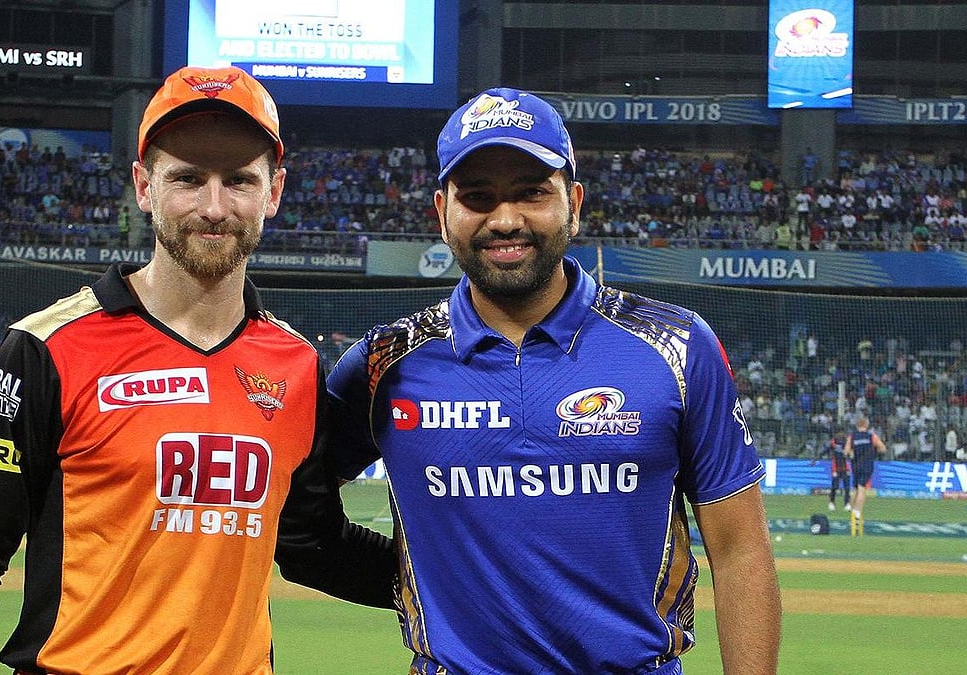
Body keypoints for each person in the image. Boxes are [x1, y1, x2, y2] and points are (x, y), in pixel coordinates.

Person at [0, 65, 396, 675]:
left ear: (273, 192)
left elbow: (311, 544)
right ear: (144, 186)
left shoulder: (297, 365)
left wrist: (464, 579)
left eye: (239, 180)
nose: (214, 207)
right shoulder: (46, 347)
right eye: (188, 178)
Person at [326, 87, 781, 674]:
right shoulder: (384, 362)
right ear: (442, 213)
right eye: (477, 197)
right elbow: (292, 511)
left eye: (532, 192)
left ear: (575, 203)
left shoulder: (678, 346)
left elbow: (740, 550)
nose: (505, 220)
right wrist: (401, 579)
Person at [846, 414, 888, 529]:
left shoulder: (852, 437)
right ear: (866, 425)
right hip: (867, 465)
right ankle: (857, 513)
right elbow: (883, 449)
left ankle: (852, 513)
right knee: (862, 489)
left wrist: (853, 453)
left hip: (855, 465)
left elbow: (846, 451)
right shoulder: (871, 436)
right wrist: (873, 451)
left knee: (855, 489)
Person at [828, 432, 851, 511]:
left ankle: (847, 503)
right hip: (836, 469)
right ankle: (832, 502)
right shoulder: (833, 443)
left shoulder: (847, 443)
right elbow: (829, 452)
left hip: (845, 469)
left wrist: (848, 469)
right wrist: (834, 470)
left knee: (847, 488)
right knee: (835, 487)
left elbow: (848, 457)